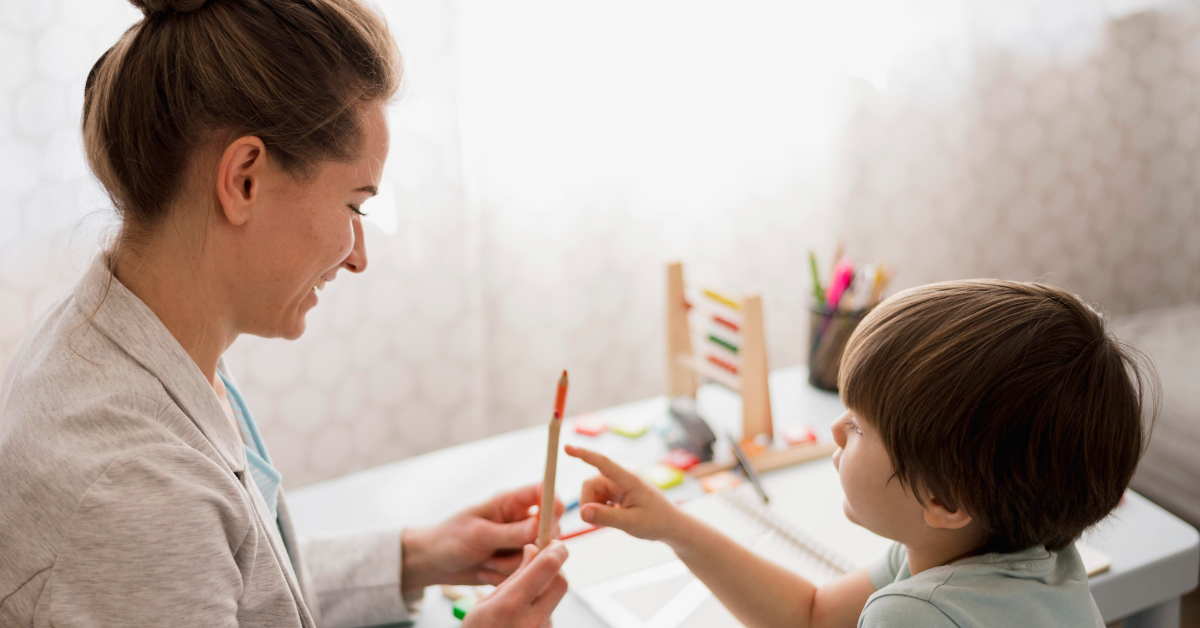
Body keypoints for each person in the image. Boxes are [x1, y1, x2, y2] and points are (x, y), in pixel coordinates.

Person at [0, 1, 568, 626]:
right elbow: (169, 546)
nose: (358, 257)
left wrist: (416, 557)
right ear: (244, 178)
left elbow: (228, 578)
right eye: (355, 206)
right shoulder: (129, 486)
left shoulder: (130, 332)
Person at [568, 280, 1156, 628]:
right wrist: (675, 526)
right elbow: (814, 617)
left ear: (945, 499)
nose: (834, 433)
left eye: (859, 427)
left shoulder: (916, 614)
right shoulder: (1024, 554)